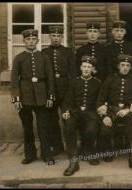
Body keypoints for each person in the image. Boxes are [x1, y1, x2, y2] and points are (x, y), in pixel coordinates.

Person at [10, 29, 55, 165]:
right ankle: (30, 155)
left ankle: (46, 155)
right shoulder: (19, 58)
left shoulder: (44, 57)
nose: (31, 42)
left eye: (33, 39)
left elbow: (50, 78)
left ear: (37, 41)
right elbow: (14, 80)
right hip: (25, 97)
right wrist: (16, 99)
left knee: (44, 127)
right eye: (28, 40)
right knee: (27, 127)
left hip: (42, 97)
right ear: (24, 41)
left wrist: (50, 97)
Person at [96, 54, 132, 172]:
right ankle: (108, 149)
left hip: (128, 111)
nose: (125, 68)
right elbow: (100, 100)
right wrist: (104, 115)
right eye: (123, 65)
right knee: (105, 128)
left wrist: (130, 107)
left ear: (131, 67)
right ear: (118, 66)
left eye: (128, 65)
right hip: (111, 111)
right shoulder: (110, 79)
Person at [62, 55, 102, 176]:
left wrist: (99, 111)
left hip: (91, 113)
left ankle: (87, 151)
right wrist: (66, 111)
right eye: (84, 66)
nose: (86, 69)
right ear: (80, 67)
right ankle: (74, 160)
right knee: (69, 126)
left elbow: (100, 100)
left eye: (89, 67)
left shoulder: (98, 83)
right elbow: (67, 100)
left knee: (92, 129)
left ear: (92, 69)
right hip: (75, 112)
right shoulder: (74, 82)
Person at [42, 25, 77, 155]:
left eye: (58, 36)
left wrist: (72, 92)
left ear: (62, 37)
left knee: (68, 119)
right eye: (53, 36)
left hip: (66, 90)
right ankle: (57, 147)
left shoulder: (68, 52)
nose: (56, 38)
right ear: (49, 37)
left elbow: (73, 74)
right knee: (52, 120)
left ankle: (71, 147)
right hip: (50, 91)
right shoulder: (44, 53)